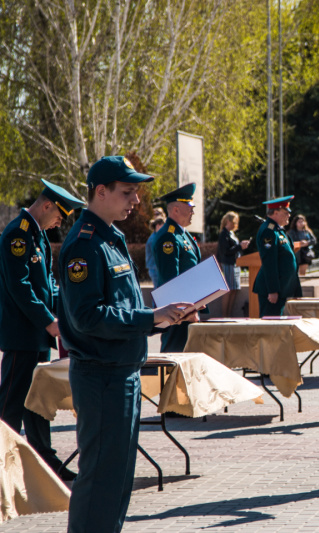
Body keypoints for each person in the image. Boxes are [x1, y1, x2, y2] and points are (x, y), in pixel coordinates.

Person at [58, 155, 190, 533]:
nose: (135, 200)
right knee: (100, 480)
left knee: (116, 481)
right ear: (101, 192)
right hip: (102, 378)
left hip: (122, 374)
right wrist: (152, 318)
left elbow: (121, 307)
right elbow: (88, 316)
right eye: (127, 192)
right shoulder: (85, 245)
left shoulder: (109, 237)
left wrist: (157, 314)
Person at [0, 179, 84, 482]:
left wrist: (62, 314)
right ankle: (3, 468)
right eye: (59, 215)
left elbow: (45, 284)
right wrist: (49, 320)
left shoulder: (37, 234)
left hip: (37, 333)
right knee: (10, 405)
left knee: (37, 402)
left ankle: (45, 464)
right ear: (46, 205)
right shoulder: (18, 234)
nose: (59, 222)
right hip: (22, 334)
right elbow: (20, 286)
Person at [154, 183, 202, 352]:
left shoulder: (182, 233)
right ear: (175, 210)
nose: (193, 212)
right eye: (189, 207)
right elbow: (170, 281)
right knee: (174, 354)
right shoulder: (169, 236)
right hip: (178, 312)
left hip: (188, 308)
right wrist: (185, 312)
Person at [253, 195, 302, 316]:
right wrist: (273, 290)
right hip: (273, 291)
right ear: (275, 212)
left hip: (282, 288)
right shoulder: (268, 231)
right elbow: (269, 262)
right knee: (269, 327)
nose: (289, 216)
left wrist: (296, 290)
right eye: (286, 212)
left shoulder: (278, 230)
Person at [216, 211, 251, 317]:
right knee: (228, 290)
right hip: (228, 264)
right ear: (228, 221)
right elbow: (225, 251)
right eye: (234, 222)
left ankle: (229, 314)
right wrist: (239, 246)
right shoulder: (224, 234)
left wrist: (241, 247)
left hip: (236, 263)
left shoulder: (232, 234)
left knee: (235, 289)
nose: (236, 225)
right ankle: (224, 315)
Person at [145, 215, 165, 286]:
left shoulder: (155, 237)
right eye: (163, 225)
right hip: (154, 268)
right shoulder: (154, 239)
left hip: (154, 268)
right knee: (159, 291)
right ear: (158, 225)